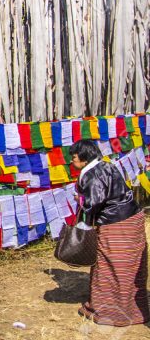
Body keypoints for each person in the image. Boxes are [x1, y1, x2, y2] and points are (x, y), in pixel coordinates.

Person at [69, 139, 149, 326]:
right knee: (131, 266)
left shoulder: (91, 174)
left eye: (74, 157)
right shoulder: (107, 166)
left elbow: (94, 201)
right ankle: (135, 310)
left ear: (84, 158)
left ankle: (111, 312)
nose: (72, 161)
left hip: (116, 225)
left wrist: (81, 201)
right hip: (133, 218)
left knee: (110, 266)